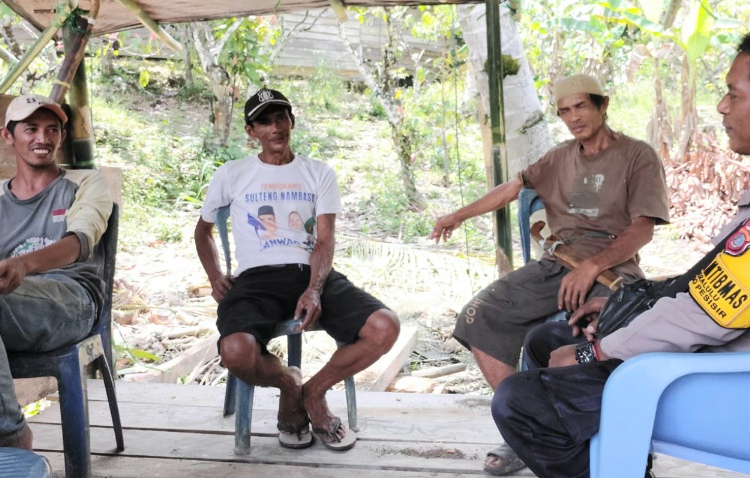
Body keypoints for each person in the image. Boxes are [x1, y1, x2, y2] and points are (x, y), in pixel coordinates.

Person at [492, 25, 750, 478]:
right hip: (726, 356)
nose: (721, 106)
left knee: (520, 400)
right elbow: (714, 285)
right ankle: (619, 464)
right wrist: (631, 302)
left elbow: (705, 314)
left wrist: (595, 354)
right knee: (548, 340)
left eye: (733, 95)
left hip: (737, 386)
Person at [429, 74, 670, 474]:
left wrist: (593, 266)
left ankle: (613, 437)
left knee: (605, 336)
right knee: (477, 316)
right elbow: (510, 188)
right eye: (564, 111)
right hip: (555, 264)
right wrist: (456, 215)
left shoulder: (636, 155)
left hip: (611, 270)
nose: (573, 117)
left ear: (602, 105)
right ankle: (529, 426)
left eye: (580, 106)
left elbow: (642, 228)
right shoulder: (559, 157)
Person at [194, 87, 400, 451]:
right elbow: (203, 230)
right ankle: (290, 385)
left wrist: (315, 287)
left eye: (280, 118)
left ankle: (314, 393)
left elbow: (325, 239)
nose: (275, 128)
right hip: (257, 279)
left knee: (385, 327)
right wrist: (214, 276)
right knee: (236, 351)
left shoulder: (318, 173)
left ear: (291, 121)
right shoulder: (232, 173)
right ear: (250, 131)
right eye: (264, 122)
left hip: (311, 273)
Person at [0, 95, 113, 450]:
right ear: (8, 136)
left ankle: (9, 439)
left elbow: (80, 242)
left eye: (51, 130)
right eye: (30, 129)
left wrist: (23, 264)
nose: (42, 138)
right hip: (3, 306)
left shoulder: (86, 182)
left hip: (71, 298)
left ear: (60, 137)